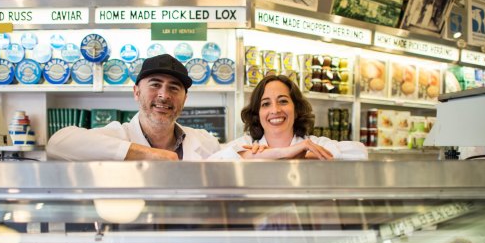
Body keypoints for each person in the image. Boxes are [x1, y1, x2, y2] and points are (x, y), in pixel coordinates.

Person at [46, 54, 221, 161]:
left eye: (174, 88)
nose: (164, 95)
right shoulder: (117, 134)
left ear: (185, 99)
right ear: (136, 92)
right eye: (155, 85)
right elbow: (57, 144)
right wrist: (149, 154)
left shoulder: (206, 142)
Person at [209, 75, 367, 160]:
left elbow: (359, 153)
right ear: (257, 113)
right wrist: (283, 153)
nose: (275, 110)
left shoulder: (313, 144)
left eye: (283, 101)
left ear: (297, 108)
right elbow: (212, 164)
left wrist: (306, 155)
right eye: (265, 104)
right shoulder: (247, 145)